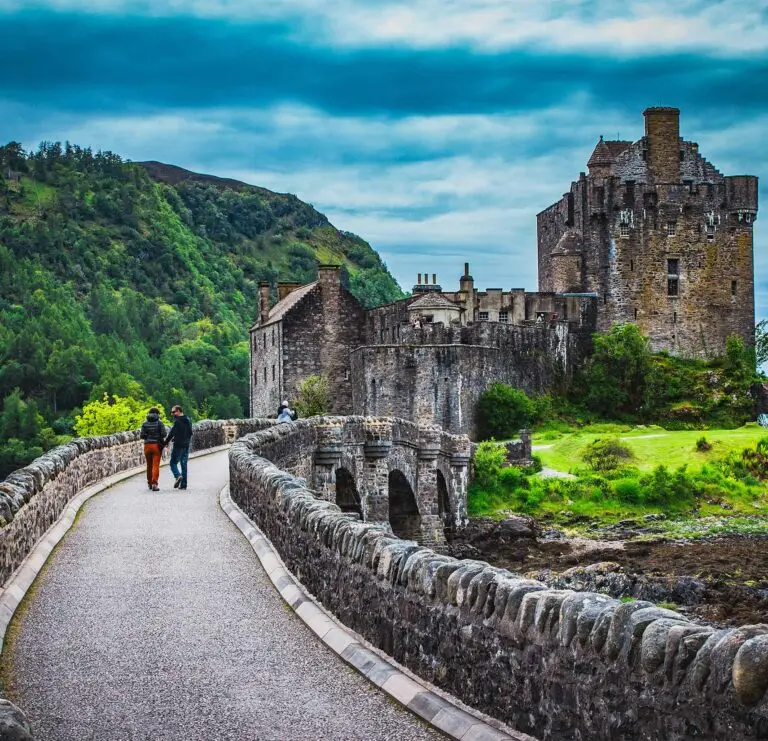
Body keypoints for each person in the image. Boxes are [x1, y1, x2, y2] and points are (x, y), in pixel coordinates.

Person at [164, 404, 193, 490]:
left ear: (179, 411)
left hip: (178, 445)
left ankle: (178, 476)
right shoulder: (188, 420)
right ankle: (183, 485)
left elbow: (172, 433)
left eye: (174, 412)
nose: (172, 414)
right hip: (186, 444)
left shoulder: (177, 421)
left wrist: (166, 442)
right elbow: (190, 433)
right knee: (184, 464)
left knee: (173, 462)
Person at [140, 407, 166, 491]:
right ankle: (154, 483)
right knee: (155, 465)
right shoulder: (159, 423)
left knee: (149, 465)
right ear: (157, 414)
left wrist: (148, 436)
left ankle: (149, 483)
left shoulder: (145, 423)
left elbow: (142, 436)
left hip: (147, 446)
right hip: (156, 446)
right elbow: (164, 434)